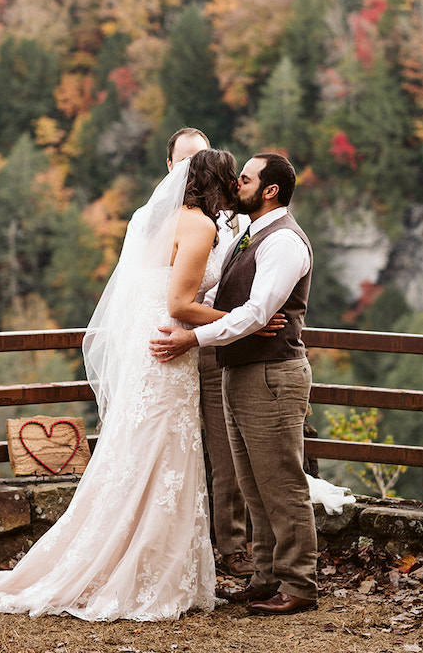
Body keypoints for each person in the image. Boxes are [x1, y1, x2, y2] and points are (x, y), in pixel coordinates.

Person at [0, 148, 238, 621]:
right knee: (164, 454)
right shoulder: (200, 225)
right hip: (169, 350)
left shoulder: (161, 220)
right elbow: (178, 304)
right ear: (219, 182)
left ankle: (137, 561)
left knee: (145, 456)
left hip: (150, 347)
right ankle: (144, 573)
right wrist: (242, 320)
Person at [150, 152, 318, 616]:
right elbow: (219, 296)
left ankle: (299, 584)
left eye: (243, 179)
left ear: (269, 191)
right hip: (240, 371)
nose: (233, 185)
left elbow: (258, 313)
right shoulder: (248, 234)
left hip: (272, 374)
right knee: (253, 485)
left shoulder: (284, 242)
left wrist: (192, 338)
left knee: (281, 483)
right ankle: (265, 578)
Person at [165, 127, 253, 577]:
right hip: (171, 343)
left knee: (225, 449)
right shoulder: (161, 217)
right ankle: (176, 545)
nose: (192, 168)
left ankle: (232, 544)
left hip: (217, 343)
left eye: (199, 159)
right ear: (170, 167)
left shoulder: (236, 221)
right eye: (185, 162)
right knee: (170, 445)